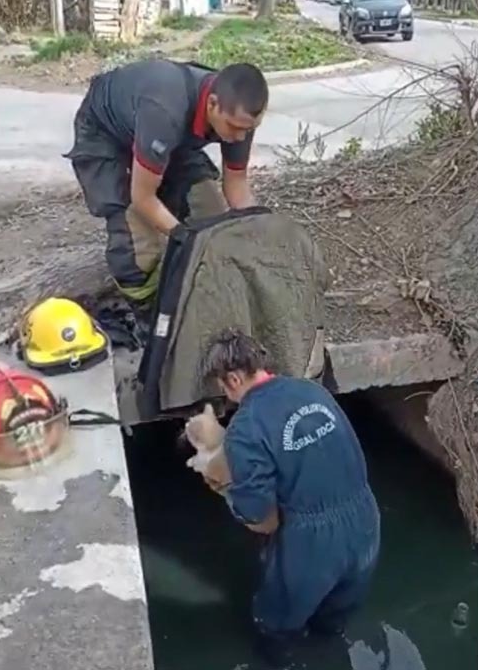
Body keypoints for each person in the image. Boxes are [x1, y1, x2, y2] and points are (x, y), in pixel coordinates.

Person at [198, 328, 381, 667]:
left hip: (314, 544)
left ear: (234, 379)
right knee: (333, 621)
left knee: (276, 624)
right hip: (366, 521)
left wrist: (225, 488)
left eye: (222, 386)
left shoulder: (245, 428)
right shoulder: (311, 390)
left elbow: (262, 521)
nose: (224, 393)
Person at [65, 59, 268, 310]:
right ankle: (144, 311)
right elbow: (143, 198)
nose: (240, 137)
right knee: (140, 246)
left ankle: (198, 295)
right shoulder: (166, 109)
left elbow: (236, 185)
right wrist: (183, 236)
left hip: (166, 139)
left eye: (249, 130)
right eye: (235, 128)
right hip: (106, 134)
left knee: (212, 217)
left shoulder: (240, 115)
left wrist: (258, 231)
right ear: (212, 103)